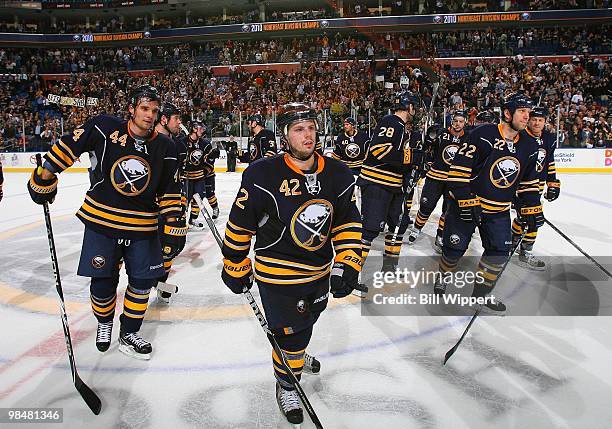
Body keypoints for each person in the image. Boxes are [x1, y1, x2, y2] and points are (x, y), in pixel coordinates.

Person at [221, 103, 362, 425]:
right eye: (299, 129)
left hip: (319, 270)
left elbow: (347, 222)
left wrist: (348, 262)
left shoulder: (338, 173)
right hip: (277, 272)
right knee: (292, 335)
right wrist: (234, 262)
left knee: (308, 321)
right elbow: (241, 222)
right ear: (285, 136)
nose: (307, 134)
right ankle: (287, 383)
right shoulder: (262, 174)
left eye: (311, 127)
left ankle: (294, 351)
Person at [27, 85, 184, 359]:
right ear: (132, 109)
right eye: (144, 109)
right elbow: (68, 146)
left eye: (155, 111)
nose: (149, 115)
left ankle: (129, 332)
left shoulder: (166, 147)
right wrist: (44, 175)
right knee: (102, 284)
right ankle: (105, 322)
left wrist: (173, 224)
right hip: (102, 222)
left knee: (142, 284)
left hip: (143, 226)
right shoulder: (103, 127)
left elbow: (170, 190)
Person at [435, 93, 543, 315]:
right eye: (522, 111)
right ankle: (443, 276)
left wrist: (532, 208)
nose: (527, 117)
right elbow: (457, 173)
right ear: (507, 113)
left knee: (498, 252)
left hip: (498, 211)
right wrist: (467, 200)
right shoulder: (483, 135)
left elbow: (529, 184)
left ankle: (480, 294)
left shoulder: (530, 146)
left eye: (529, 112)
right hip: (466, 207)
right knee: (453, 251)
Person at [357, 90, 426, 272]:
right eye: (414, 107)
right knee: (370, 229)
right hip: (377, 183)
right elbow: (379, 151)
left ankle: (389, 267)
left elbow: (399, 159)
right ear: (409, 107)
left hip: (394, 185)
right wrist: (411, 156)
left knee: (399, 224)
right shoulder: (391, 122)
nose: (416, 110)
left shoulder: (402, 127)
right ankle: (352, 274)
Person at [407, 111, 469, 252]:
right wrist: (428, 140)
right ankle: (417, 228)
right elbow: (427, 149)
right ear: (451, 121)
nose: (457, 124)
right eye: (455, 121)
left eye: (460, 121)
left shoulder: (469, 137)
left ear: (464, 123)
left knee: (447, 211)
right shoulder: (441, 133)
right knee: (426, 206)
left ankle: (440, 235)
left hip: (454, 180)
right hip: (435, 177)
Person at [511, 106, 560, 270]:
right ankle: (519, 248)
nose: (537, 123)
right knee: (530, 219)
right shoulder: (521, 137)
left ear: (545, 122)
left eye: (540, 120)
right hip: (522, 186)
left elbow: (549, 162)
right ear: (528, 120)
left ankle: (518, 246)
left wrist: (552, 183)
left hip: (537, 186)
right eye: (534, 119)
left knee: (529, 219)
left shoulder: (549, 138)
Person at [154, 101, 187, 303]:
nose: (179, 123)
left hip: (169, 205)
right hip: (146, 211)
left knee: (171, 246)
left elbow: (175, 179)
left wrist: (177, 207)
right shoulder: (147, 142)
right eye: (176, 118)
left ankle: (159, 282)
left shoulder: (175, 145)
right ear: (164, 119)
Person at [183, 121, 209, 229]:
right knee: (185, 200)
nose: (202, 131)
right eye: (200, 128)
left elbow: (208, 161)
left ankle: (193, 219)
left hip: (199, 177)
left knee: (199, 198)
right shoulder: (183, 142)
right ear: (194, 129)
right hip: (186, 177)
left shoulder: (204, 143)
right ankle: (182, 221)